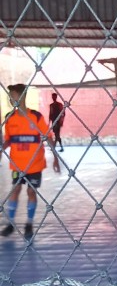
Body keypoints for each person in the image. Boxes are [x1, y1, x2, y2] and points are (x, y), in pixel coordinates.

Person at [2, 83, 61, 239]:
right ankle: (11, 224)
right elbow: (8, 139)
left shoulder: (36, 117)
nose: (11, 99)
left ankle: (29, 223)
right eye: (10, 96)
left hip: (35, 165)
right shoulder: (9, 118)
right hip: (17, 164)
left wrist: (56, 158)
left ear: (22, 97)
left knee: (31, 192)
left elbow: (48, 137)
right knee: (15, 190)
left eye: (13, 96)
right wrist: (2, 149)